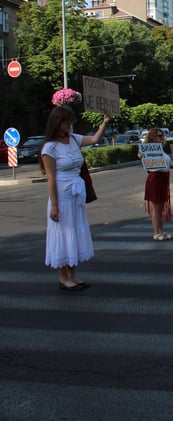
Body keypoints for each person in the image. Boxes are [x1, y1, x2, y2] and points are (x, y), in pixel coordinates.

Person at [40, 105, 111, 291]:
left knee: (74, 232)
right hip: (61, 196)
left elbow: (95, 139)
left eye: (70, 121)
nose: (69, 125)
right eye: (66, 121)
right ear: (57, 123)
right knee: (63, 233)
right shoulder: (50, 147)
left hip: (75, 195)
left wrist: (104, 123)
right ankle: (63, 277)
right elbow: (51, 179)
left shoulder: (73, 139)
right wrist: (54, 205)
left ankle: (73, 275)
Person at [140, 128, 173, 240]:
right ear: (153, 137)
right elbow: (140, 155)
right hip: (155, 179)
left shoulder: (161, 150)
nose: (162, 138)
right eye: (159, 136)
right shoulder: (149, 149)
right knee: (156, 208)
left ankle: (161, 231)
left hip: (163, 179)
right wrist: (143, 152)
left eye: (162, 136)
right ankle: (156, 233)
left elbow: (166, 164)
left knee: (161, 208)